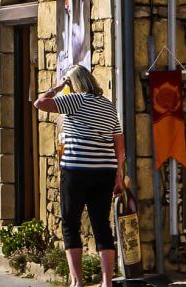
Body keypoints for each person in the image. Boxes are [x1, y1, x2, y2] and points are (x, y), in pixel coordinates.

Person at [34, 65, 124, 287]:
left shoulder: (75, 100)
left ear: (73, 82)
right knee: (101, 224)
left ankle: (77, 281)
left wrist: (58, 87)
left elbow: (39, 103)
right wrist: (119, 175)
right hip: (105, 171)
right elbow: (119, 145)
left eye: (68, 82)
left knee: (70, 223)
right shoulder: (108, 105)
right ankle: (107, 282)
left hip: (76, 169)